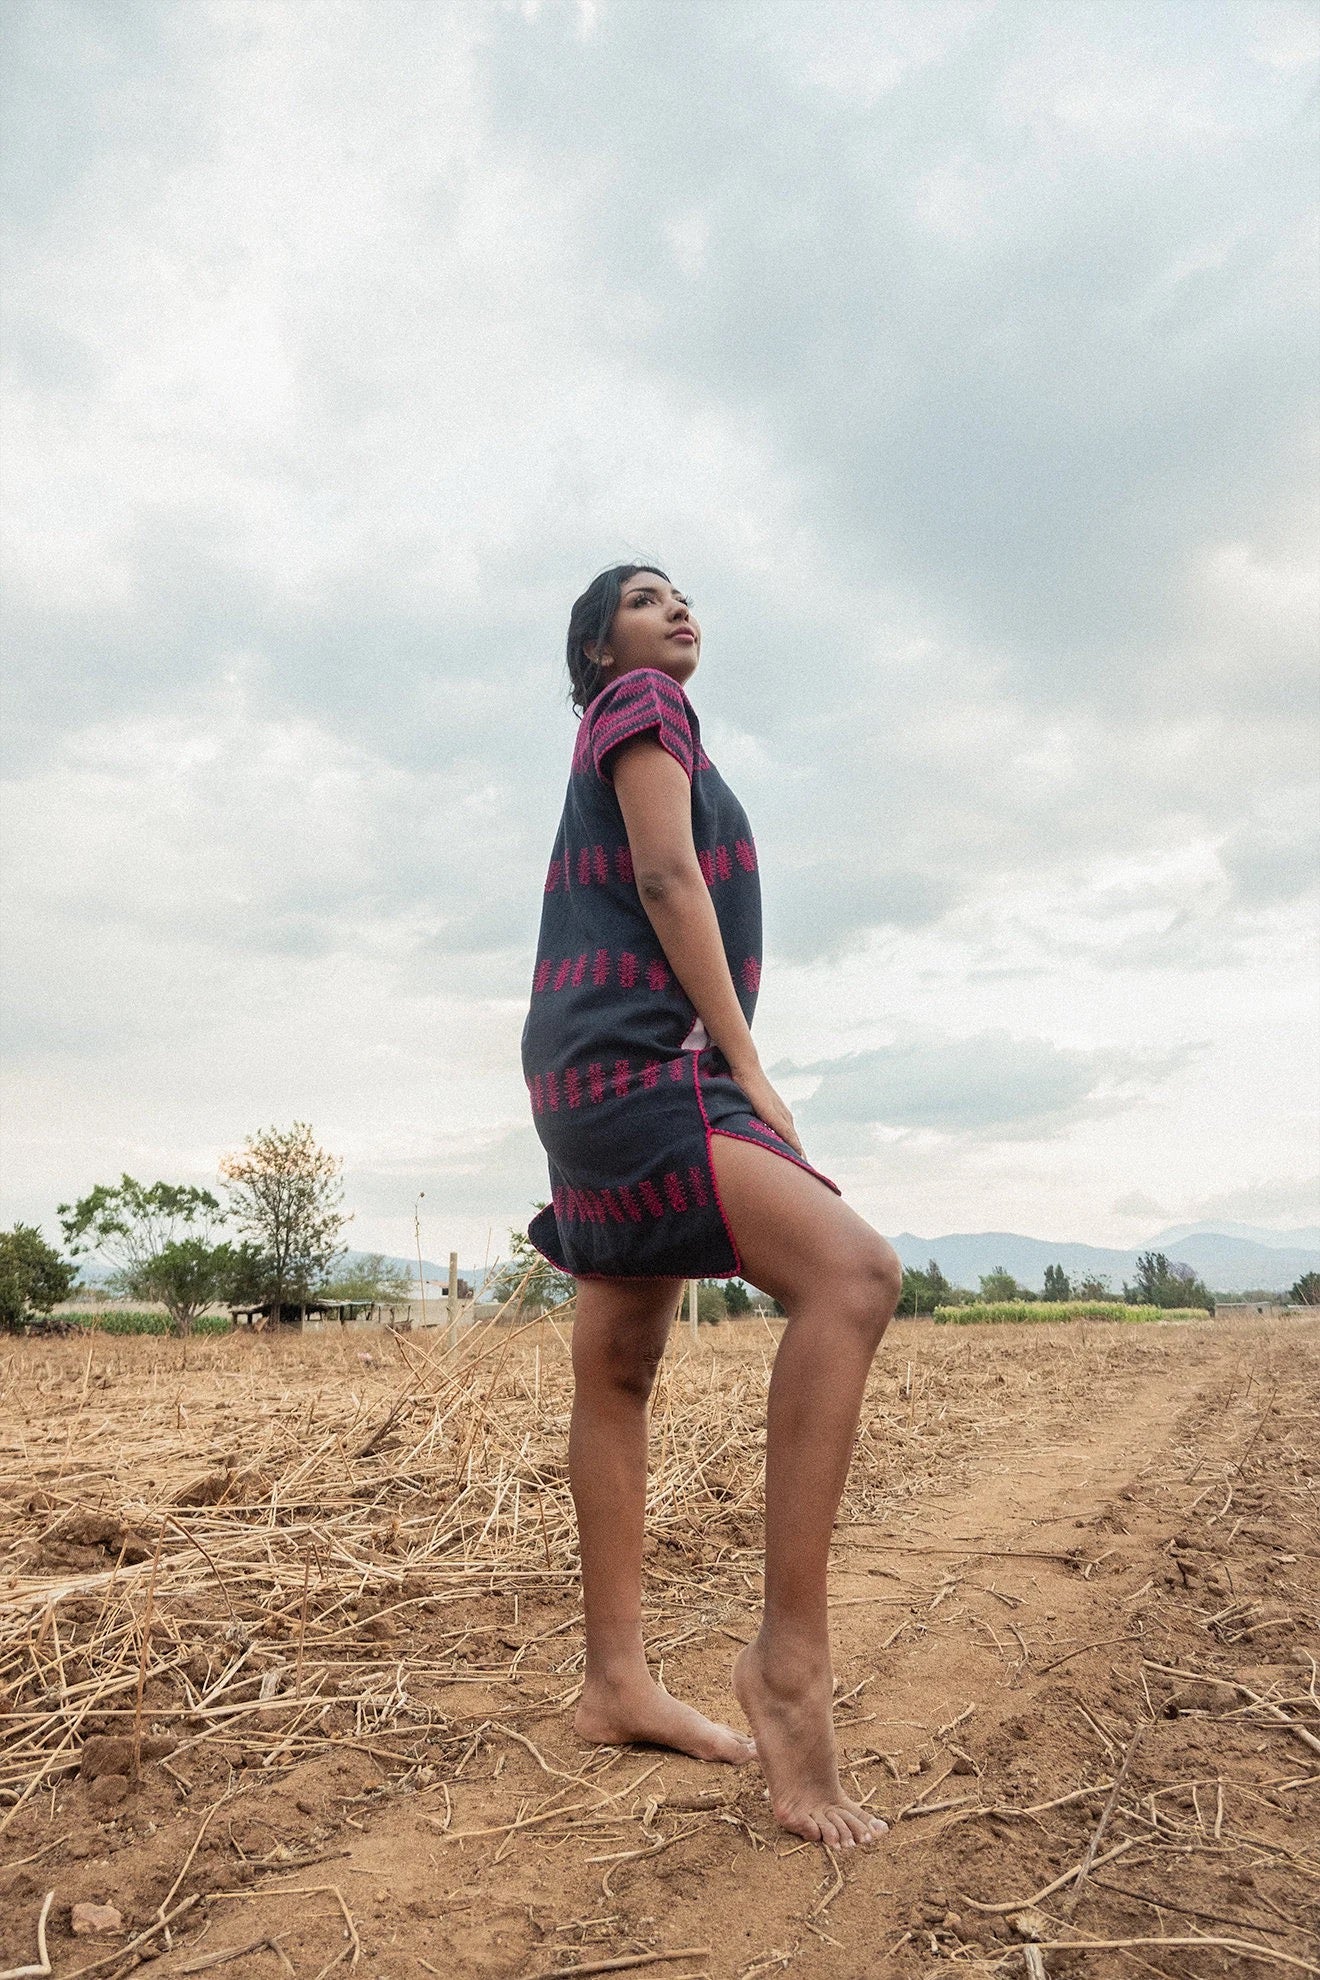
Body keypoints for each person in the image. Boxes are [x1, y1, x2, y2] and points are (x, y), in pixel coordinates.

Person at [521, 564, 902, 1848]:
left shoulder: (637, 720)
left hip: (583, 1065)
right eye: (643, 598)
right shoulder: (640, 705)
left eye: (684, 597)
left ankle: (614, 1681)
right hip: (643, 1064)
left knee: (620, 1365)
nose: (677, 612)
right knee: (853, 1276)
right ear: (596, 649)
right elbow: (673, 883)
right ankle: (789, 1669)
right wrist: (749, 1070)